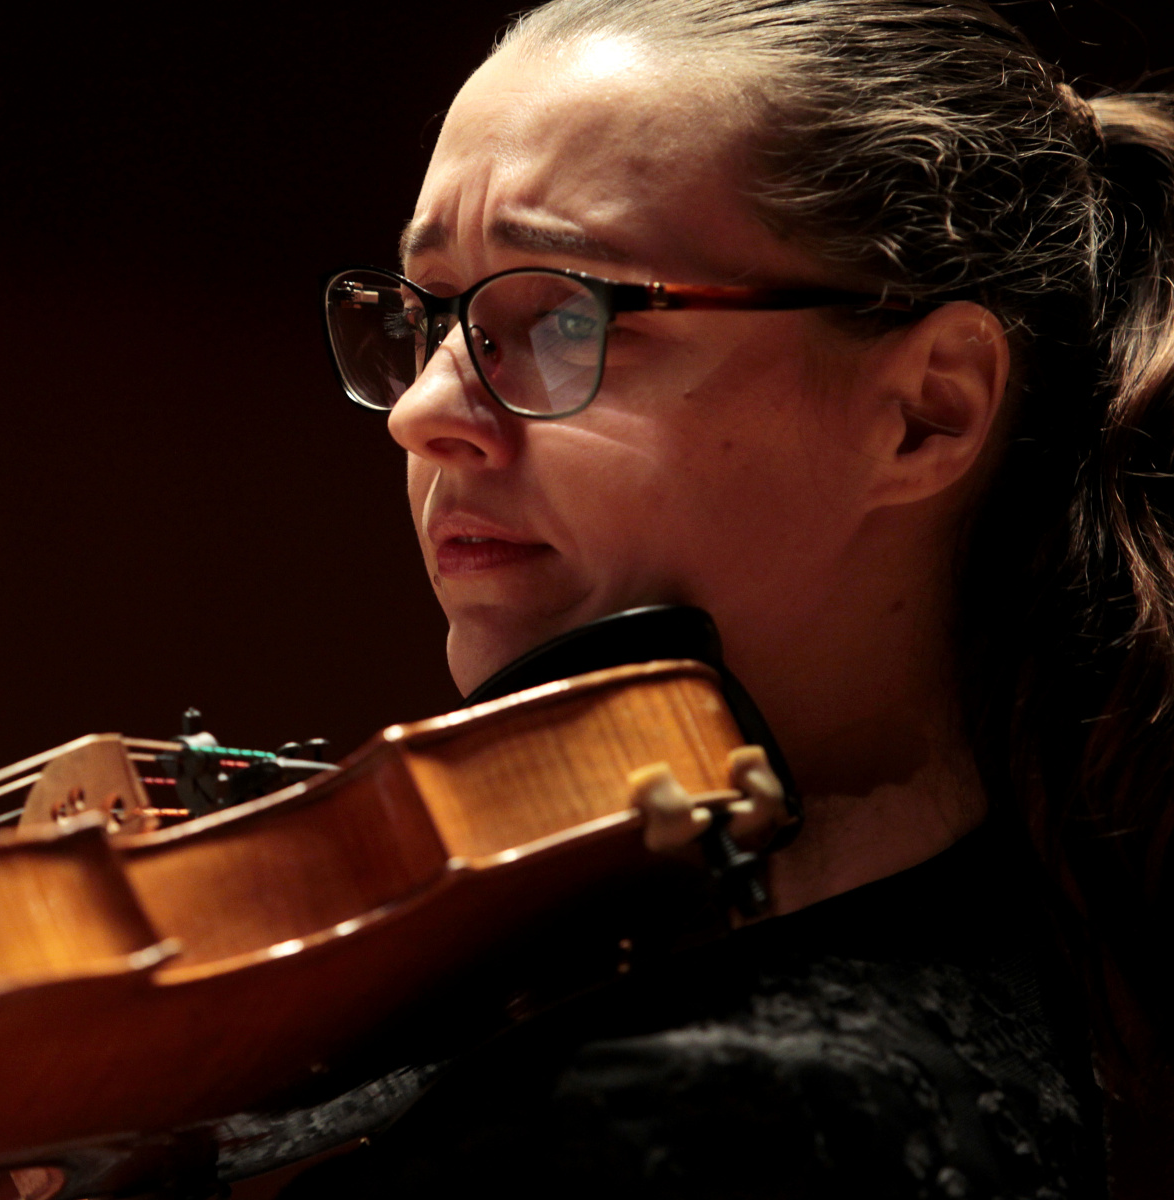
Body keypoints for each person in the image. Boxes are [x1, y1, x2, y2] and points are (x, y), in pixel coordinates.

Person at [289, 1, 1174, 1195]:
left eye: (560, 312)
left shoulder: (728, 1117)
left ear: (928, 412)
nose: (423, 411)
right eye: (431, 310)